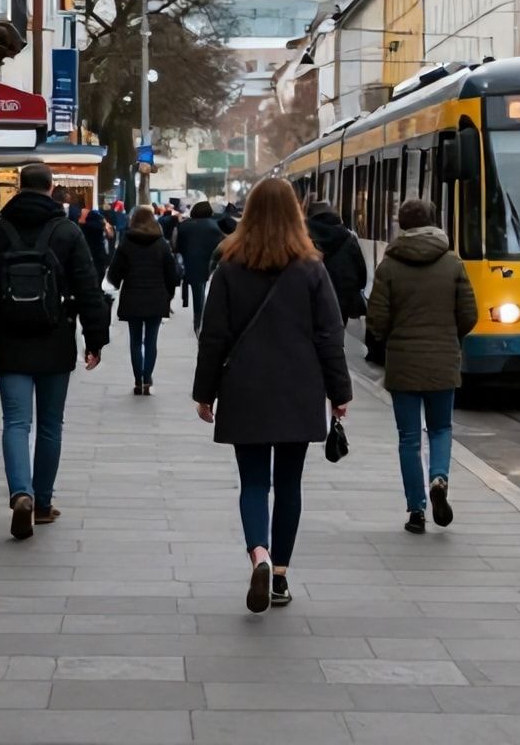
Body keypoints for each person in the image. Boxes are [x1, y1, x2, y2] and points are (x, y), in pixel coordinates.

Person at [193, 178, 352, 614]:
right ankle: (279, 575)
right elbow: (329, 337)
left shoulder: (229, 267)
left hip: (244, 388)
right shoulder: (312, 269)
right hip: (298, 388)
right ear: (294, 215)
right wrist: (339, 393)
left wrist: (204, 393)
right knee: (288, 484)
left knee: (253, 483)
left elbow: (213, 337)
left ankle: (258, 555)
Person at [0, 162, 110, 539]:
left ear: (19, 187)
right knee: (50, 424)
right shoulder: (67, 231)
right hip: (55, 338)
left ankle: (21, 493)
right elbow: (88, 287)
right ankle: (43, 503)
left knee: (16, 422)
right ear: (51, 188)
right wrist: (95, 339)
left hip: (10, 339)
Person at [366, 199, 478, 534]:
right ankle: (439, 478)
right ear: (434, 221)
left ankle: (416, 510)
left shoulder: (389, 266)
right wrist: (448, 336)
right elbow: (469, 315)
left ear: (401, 225)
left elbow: (376, 321)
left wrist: (393, 339)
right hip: (443, 362)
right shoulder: (452, 263)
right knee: (441, 429)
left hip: (403, 365)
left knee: (409, 439)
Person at [107, 206, 179, 395]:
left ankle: (138, 380)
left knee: (135, 341)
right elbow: (172, 274)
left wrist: (119, 281)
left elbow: (114, 273)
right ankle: (147, 379)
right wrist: (169, 294)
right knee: (151, 341)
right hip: (156, 297)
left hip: (133, 297)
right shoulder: (161, 244)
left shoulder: (126, 243)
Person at [306, 200, 368, 324]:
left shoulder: (305, 240)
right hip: (342, 301)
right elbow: (362, 275)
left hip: (314, 303)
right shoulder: (349, 238)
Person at [174, 201, 226, 330]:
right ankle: (200, 319)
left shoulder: (184, 226)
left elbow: (177, 246)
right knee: (203, 289)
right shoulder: (215, 226)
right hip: (209, 262)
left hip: (190, 262)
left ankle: (198, 319)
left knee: (197, 290)